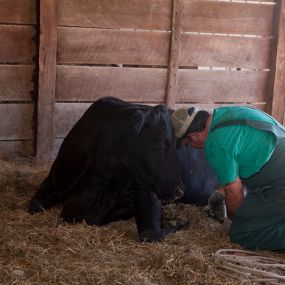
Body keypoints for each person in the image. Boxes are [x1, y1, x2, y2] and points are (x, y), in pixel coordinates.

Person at [171, 105, 285, 251]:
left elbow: (235, 195)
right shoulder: (227, 113)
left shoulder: (215, 144)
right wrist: (220, 193)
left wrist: (231, 221)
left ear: (193, 136)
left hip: (280, 184)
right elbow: (245, 154)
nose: (192, 147)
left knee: (241, 234)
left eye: (188, 144)